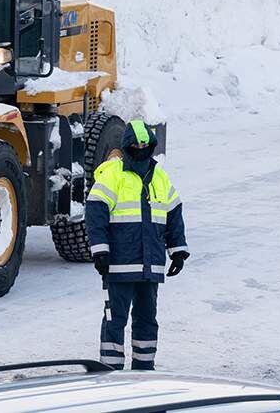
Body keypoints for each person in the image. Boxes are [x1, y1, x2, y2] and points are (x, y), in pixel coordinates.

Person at [86, 120, 189, 371]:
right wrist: (100, 250)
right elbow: (96, 213)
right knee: (115, 319)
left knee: (147, 319)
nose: (141, 149)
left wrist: (178, 250)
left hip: (150, 265)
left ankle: (144, 369)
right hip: (119, 264)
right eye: (136, 144)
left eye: (145, 144)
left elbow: (173, 212)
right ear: (126, 146)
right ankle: (110, 372)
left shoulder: (160, 177)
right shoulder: (113, 175)